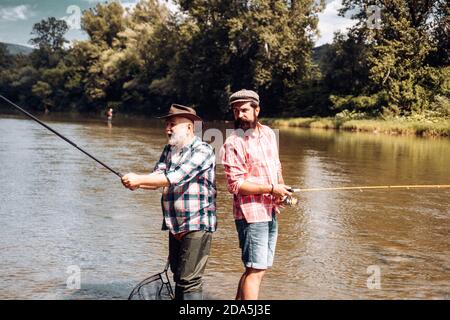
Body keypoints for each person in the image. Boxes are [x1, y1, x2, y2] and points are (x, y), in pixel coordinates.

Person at [121, 104, 216, 300]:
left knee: (189, 280)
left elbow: (175, 177)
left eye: (172, 124)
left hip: (196, 222)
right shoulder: (169, 149)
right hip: (175, 225)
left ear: (189, 127)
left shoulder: (203, 150)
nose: (167, 129)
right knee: (179, 276)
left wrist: (139, 179)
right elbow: (158, 178)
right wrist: (136, 183)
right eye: (166, 124)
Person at [220, 89, 292, 300]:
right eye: (235, 111)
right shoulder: (233, 143)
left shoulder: (269, 133)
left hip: (270, 210)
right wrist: (271, 189)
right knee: (256, 269)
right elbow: (236, 185)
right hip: (250, 215)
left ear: (257, 110)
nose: (239, 115)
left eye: (244, 110)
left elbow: (276, 166)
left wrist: (281, 188)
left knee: (255, 268)